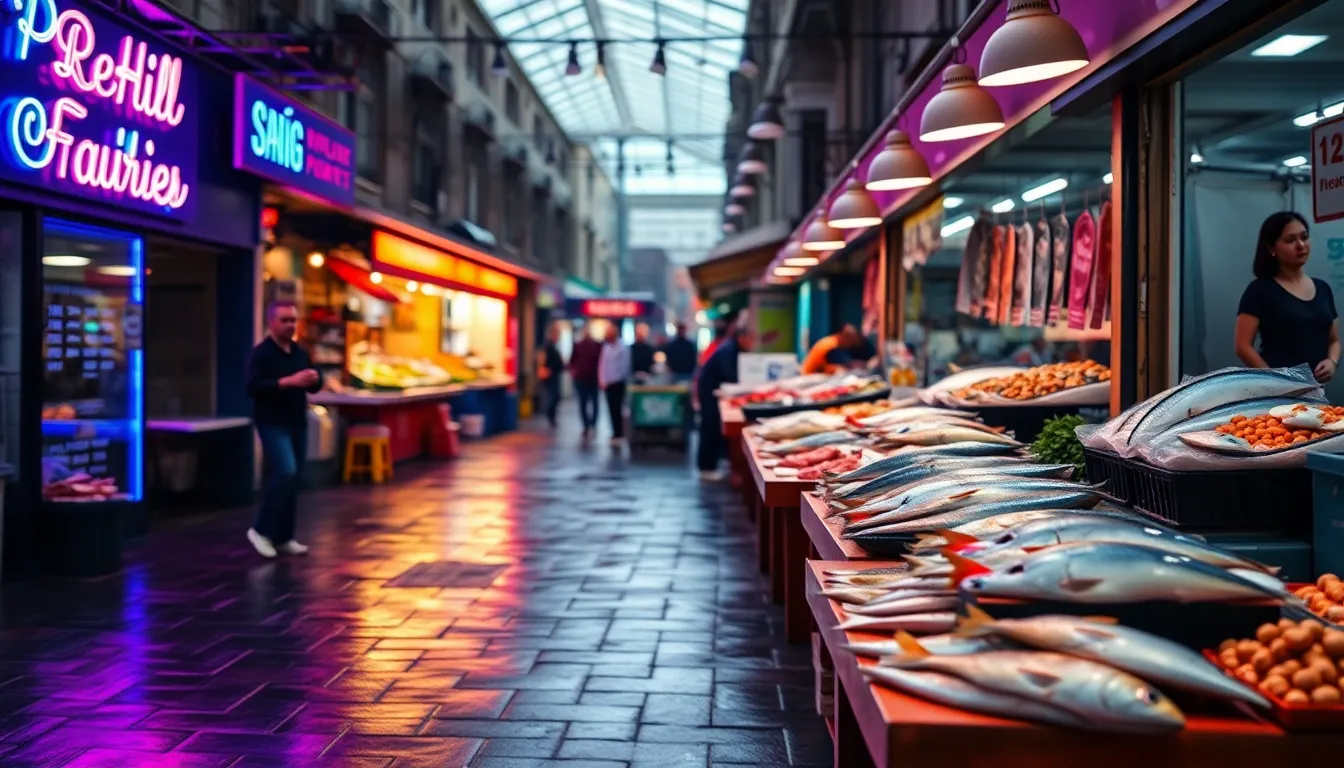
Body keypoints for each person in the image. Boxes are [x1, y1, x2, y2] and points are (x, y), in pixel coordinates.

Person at [245, 301, 321, 558]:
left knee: (294, 478)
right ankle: (261, 530)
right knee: (285, 472)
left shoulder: (299, 353)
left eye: (293, 320)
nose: (290, 325)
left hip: (296, 420)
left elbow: (314, 385)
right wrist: (288, 382)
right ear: (271, 323)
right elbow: (253, 387)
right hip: (272, 421)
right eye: (285, 320)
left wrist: (314, 380)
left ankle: (283, 536)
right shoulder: (261, 353)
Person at [1235, 211, 1340, 382]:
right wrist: (1276, 380)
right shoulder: (1260, 290)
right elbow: (1243, 346)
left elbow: (1334, 340)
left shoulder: (1323, 288)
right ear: (1272, 248)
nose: (1300, 245)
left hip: (1315, 390)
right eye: (1290, 240)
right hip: (1273, 392)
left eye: (1304, 237)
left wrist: (1332, 361)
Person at [697, 326, 754, 479]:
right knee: (710, 427)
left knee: (713, 427)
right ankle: (706, 468)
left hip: (714, 391)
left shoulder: (732, 348)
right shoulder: (729, 350)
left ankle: (712, 464)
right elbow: (729, 375)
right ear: (741, 337)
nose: (752, 343)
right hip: (710, 392)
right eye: (750, 339)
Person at [598, 325, 631, 444]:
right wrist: (602, 380)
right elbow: (602, 365)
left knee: (618, 408)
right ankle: (614, 431)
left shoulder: (622, 347)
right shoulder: (606, 347)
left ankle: (620, 432)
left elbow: (624, 365)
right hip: (608, 383)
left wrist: (617, 378)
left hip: (618, 382)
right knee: (611, 408)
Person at [569, 326, 603, 438]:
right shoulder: (579, 345)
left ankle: (591, 423)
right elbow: (572, 361)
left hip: (591, 377)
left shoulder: (597, 345)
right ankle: (587, 424)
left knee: (591, 402)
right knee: (586, 402)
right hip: (583, 377)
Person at [536, 323, 565, 428]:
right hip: (550, 375)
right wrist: (542, 369)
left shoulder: (553, 346)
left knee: (555, 396)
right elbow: (541, 358)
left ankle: (551, 415)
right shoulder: (547, 346)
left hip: (554, 374)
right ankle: (549, 415)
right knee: (554, 396)